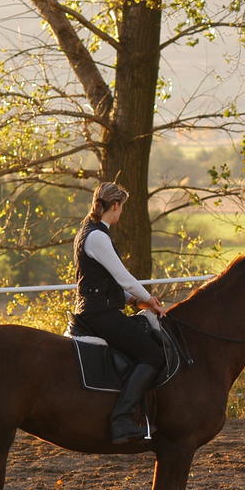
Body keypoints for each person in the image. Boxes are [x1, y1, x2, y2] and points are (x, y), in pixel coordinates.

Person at [72, 182, 166, 444]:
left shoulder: (87, 232)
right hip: (99, 314)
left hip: (97, 309)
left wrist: (137, 303)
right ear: (115, 206)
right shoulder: (98, 236)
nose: (121, 212)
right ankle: (122, 420)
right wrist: (151, 300)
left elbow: (107, 282)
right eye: (122, 207)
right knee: (152, 354)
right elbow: (124, 278)